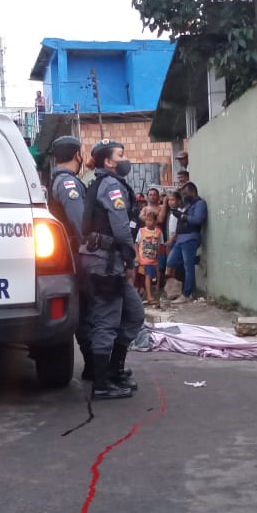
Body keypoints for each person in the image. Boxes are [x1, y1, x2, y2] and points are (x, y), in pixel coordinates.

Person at [79, 139, 145, 399]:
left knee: (134, 314)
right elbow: (120, 228)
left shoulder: (106, 183)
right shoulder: (110, 185)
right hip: (105, 262)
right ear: (108, 162)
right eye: (121, 154)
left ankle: (115, 370)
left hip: (108, 261)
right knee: (107, 320)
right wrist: (131, 257)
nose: (125, 158)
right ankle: (102, 383)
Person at [46, 135, 93, 378]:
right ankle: (94, 366)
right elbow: (80, 223)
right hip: (78, 255)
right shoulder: (68, 184)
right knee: (88, 310)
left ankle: (94, 364)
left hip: (73, 255)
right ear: (78, 155)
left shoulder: (58, 180)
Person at [164, 181, 207, 303]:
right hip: (180, 239)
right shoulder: (187, 205)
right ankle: (197, 260)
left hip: (190, 238)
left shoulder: (200, 204)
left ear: (192, 192)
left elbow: (198, 220)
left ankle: (186, 294)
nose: (184, 196)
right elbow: (173, 199)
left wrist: (182, 217)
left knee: (188, 267)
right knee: (171, 261)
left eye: (186, 193)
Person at [135, 210, 164, 305]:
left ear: (155, 221)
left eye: (150, 220)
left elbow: (161, 245)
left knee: (153, 277)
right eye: (147, 220)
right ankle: (149, 296)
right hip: (144, 260)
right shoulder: (141, 231)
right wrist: (137, 256)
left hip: (154, 260)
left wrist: (158, 256)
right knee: (147, 276)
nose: (148, 222)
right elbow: (137, 244)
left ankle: (150, 294)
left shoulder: (159, 232)